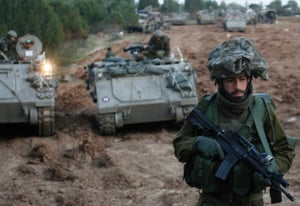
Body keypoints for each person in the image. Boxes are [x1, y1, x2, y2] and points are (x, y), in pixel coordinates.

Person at [173, 37, 295, 206]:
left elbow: (285, 150)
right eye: (230, 80)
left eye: (242, 79)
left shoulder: (262, 110)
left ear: (250, 79)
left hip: (251, 200)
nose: (238, 86)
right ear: (220, 82)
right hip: (213, 200)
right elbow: (180, 145)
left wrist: (272, 168)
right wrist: (196, 142)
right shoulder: (206, 109)